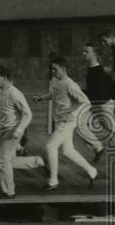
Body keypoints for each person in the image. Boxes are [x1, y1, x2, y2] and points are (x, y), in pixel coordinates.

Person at [32, 57, 99, 191]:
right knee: (68, 151)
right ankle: (92, 171)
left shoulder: (70, 84)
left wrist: (72, 114)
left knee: (50, 146)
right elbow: (53, 94)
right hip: (60, 120)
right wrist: (41, 97)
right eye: (52, 69)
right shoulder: (55, 80)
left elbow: (86, 102)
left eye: (55, 69)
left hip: (67, 122)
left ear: (63, 69)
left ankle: (53, 181)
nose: (53, 71)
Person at [81, 42, 115, 171]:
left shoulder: (99, 71)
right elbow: (95, 90)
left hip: (103, 105)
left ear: (94, 54)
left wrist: (82, 92)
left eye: (86, 51)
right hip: (96, 105)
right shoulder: (91, 70)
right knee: (80, 124)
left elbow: (102, 92)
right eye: (83, 51)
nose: (83, 54)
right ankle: (98, 147)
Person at [0, 66, 45, 197]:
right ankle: (39, 161)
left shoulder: (14, 93)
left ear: (4, 78)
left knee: (2, 160)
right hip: (4, 130)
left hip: (13, 130)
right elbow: (2, 110)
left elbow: (28, 113)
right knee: (9, 161)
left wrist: (19, 130)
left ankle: (9, 191)